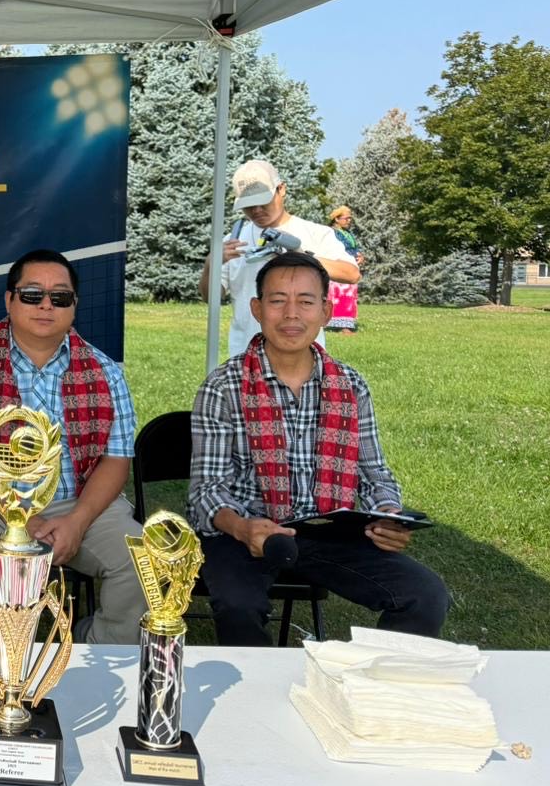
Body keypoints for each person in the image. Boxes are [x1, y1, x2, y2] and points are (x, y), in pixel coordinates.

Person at [187, 251, 447, 645]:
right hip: (243, 532)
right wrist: (241, 527)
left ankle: (374, 679)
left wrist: (389, 515)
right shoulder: (223, 386)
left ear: (326, 311)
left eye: (306, 301)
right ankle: (256, 683)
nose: (291, 314)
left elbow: (374, 473)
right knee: (239, 605)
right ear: (256, 309)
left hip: (325, 530)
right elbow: (207, 489)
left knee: (425, 595)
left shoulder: (350, 385)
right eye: (277, 300)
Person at [0, 249, 145, 643]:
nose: (46, 305)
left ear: (74, 305)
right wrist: (22, 521)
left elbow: (116, 462)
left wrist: (77, 522)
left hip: (78, 502)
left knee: (140, 558)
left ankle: (103, 650)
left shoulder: (105, 371)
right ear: (9, 300)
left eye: (60, 297)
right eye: (32, 294)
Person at [200, 159, 359, 357]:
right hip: (246, 356)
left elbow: (351, 274)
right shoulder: (233, 241)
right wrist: (211, 265)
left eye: (263, 201)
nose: (256, 210)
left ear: (281, 189)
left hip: (303, 358)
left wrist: (301, 255)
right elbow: (211, 297)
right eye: (249, 205)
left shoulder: (314, 233)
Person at [326, 205, 363, 332]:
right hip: (339, 267)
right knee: (341, 295)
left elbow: (353, 248)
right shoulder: (332, 233)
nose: (349, 221)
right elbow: (334, 249)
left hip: (350, 266)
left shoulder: (347, 233)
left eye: (350, 218)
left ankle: (345, 324)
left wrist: (359, 256)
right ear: (337, 219)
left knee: (349, 296)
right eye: (346, 218)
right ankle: (343, 326)